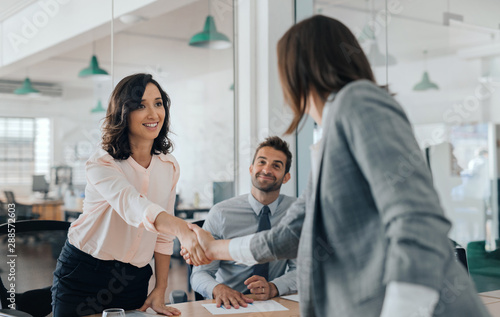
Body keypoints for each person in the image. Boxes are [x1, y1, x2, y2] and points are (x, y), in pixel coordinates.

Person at [182, 15, 490, 317]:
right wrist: (215, 248)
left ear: (298, 69)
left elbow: (417, 220)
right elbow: (292, 235)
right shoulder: (328, 137)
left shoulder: (358, 101)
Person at [51, 73, 209, 316]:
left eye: (158, 103)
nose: (153, 114)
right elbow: (133, 205)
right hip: (84, 273)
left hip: (132, 278)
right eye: (140, 106)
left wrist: (161, 287)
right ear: (123, 113)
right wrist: (181, 229)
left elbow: (162, 237)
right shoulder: (102, 162)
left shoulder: (169, 166)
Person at [190, 136, 297, 309]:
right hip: (229, 306)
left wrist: (273, 287)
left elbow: (302, 269)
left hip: (273, 304)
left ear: (286, 177)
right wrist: (218, 289)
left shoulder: (295, 212)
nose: (267, 169)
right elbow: (200, 273)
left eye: (276, 166)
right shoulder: (221, 213)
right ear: (251, 169)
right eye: (261, 162)